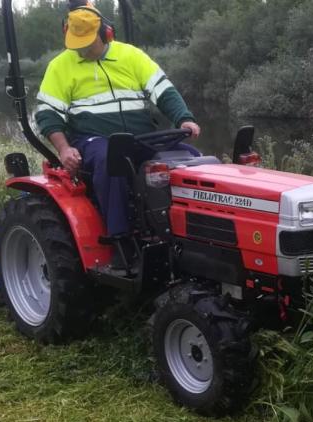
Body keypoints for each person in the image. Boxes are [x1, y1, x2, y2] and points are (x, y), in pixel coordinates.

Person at [33, 1, 200, 251]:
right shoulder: (60, 66)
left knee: (189, 159)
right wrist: (64, 149)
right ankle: (121, 239)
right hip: (93, 138)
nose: (82, 50)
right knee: (110, 160)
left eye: (87, 44)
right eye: (77, 45)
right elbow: (47, 114)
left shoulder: (131, 56)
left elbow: (163, 90)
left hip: (141, 136)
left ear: (105, 33)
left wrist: (184, 118)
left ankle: (187, 231)